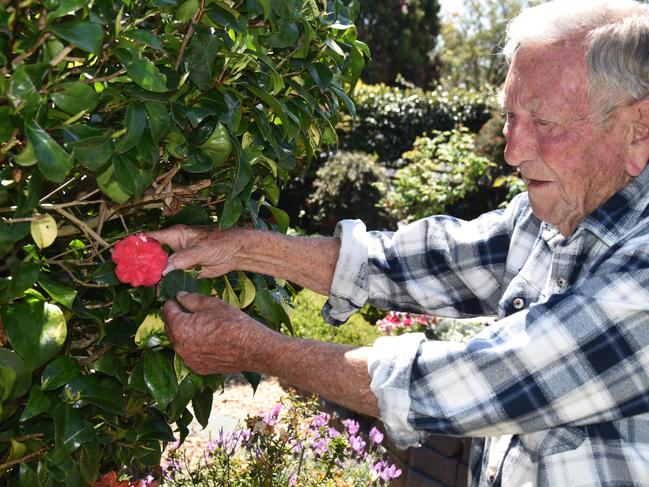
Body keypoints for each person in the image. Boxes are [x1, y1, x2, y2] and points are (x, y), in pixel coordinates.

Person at [149, 0, 649, 484]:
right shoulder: (557, 216)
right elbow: (417, 262)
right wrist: (237, 247)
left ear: (639, 129)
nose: (513, 150)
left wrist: (257, 349)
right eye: (510, 117)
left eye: (544, 123)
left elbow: (476, 381)